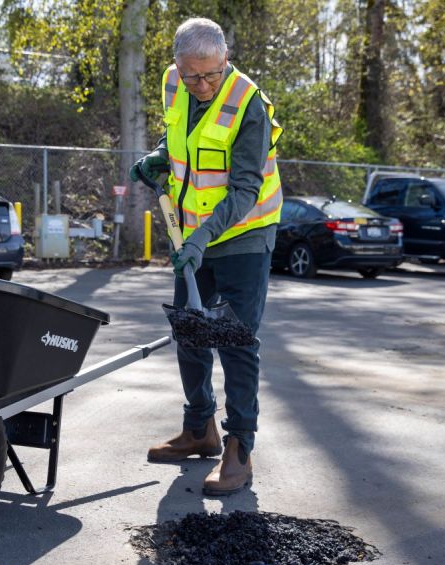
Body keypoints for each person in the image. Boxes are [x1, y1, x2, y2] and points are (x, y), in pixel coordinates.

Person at [130, 17, 283, 496]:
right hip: (191, 233)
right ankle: (200, 430)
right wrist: (159, 154)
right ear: (177, 64)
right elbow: (180, 137)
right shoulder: (174, 84)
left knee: (235, 341)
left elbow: (243, 190)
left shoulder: (248, 103)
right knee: (191, 334)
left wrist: (200, 241)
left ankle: (240, 446)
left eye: (210, 75)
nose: (201, 85)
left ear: (224, 59)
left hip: (243, 236)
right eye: (191, 74)